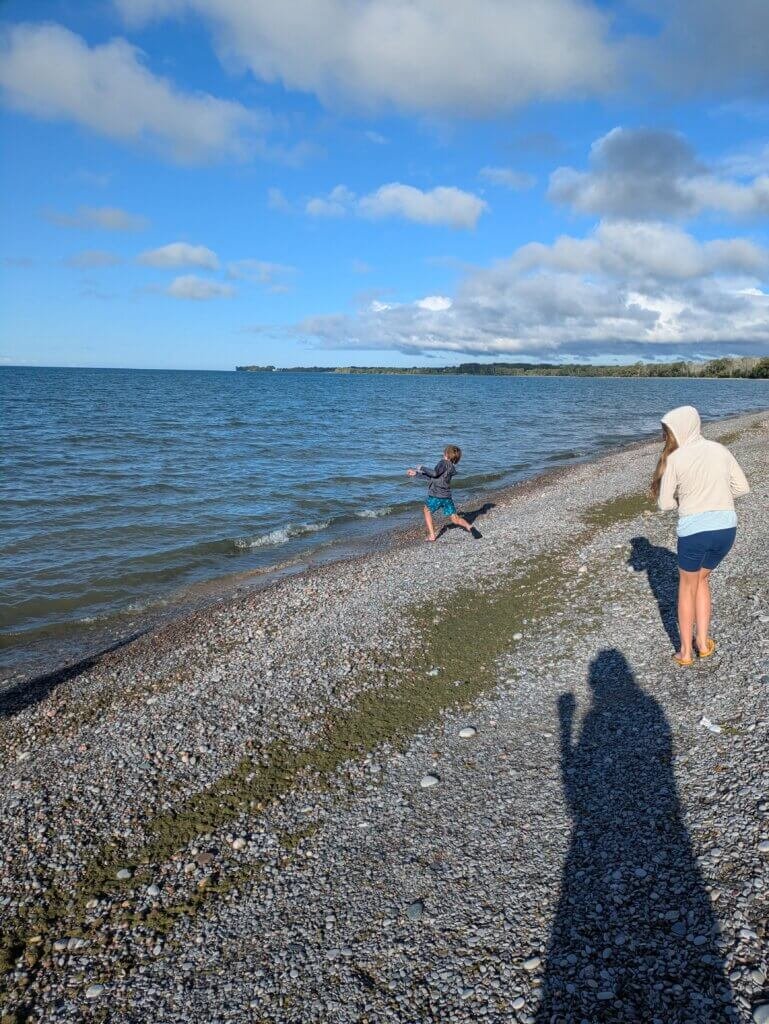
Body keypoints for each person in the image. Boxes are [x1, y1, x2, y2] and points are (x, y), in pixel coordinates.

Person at [651, 405, 749, 666]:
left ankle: (685, 652)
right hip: (726, 529)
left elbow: (665, 504)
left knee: (686, 588)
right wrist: (718, 498)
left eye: (665, 432)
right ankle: (703, 644)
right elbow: (742, 487)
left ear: (677, 430)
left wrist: (687, 500)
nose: (663, 436)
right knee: (703, 581)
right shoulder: (720, 450)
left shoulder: (675, 459)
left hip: (695, 532)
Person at [406, 444, 480, 542]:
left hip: (436, 495)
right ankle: (470, 527)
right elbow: (434, 478)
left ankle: (432, 536)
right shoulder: (451, 467)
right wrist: (417, 474)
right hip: (447, 497)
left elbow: (434, 473)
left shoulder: (443, 463)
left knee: (426, 510)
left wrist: (421, 467)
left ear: (446, 454)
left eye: (444, 451)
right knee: (455, 518)